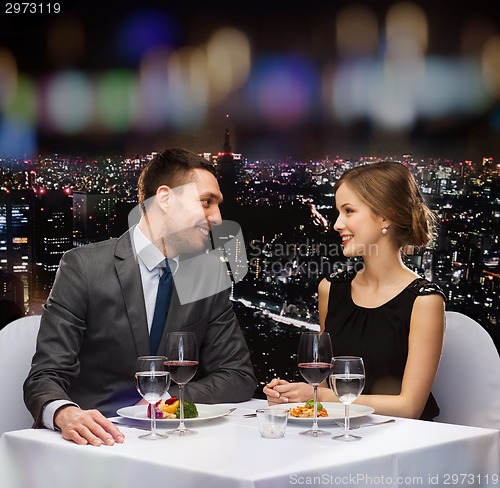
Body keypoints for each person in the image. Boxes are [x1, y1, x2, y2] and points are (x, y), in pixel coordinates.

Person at [24, 148, 257, 446]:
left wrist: (166, 401)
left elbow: (238, 375)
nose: (217, 217)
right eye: (206, 202)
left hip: (178, 443)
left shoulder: (207, 276)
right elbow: (45, 376)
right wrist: (66, 414)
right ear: (165, 198)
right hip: (95, 443)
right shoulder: (83, 267)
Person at [264, 161, 445, 420]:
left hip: (403, 442)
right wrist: (292, 395)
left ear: (386, 216)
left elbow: (410, 407)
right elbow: (325, 384)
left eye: (349, 211)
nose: (337, 224)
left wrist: (320, 397)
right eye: (338, 212)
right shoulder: (330, 289)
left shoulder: (424, 300)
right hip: (340, 434)